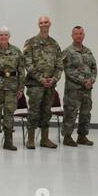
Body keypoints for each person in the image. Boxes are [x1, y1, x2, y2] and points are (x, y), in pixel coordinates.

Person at [23, 16, 63, 149]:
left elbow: (59, 66)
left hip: (50, 85)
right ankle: (30, 139)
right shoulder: (30, 42)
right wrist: (41, 78)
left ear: (50, 24)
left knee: (47, 112)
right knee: (34, 111)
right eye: (41, 23)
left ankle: (44, 139)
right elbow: (28, 64)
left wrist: (54, 79)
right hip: (35, 85)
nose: (44, 25)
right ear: (38, 25)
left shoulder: (55, 44)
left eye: (46, 22)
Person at [61, 26, 97, 146]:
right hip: (73, 89)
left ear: (84, 35)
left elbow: (94, 68)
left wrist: (91, 80)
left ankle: (82, 136)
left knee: (86, 113)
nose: (79, 36)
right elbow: (68, 70)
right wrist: (83, 81)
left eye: (81, 33)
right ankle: (67, 137)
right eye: (76, 34)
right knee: (71, 113)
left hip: (87, 89)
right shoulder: (67, 51)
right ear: (72, 36)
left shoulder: (88, 51)